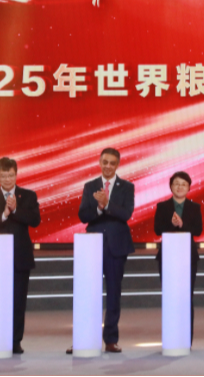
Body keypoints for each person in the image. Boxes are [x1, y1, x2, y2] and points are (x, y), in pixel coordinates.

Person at [68, 148, 135, 354]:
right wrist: (98, 208)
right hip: (92, 247)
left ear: (118, 165)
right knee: (88, 294)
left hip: (116, 247)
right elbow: (83, 215)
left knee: (114, 293)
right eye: (105, 162)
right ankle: (84, 338)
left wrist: (107, 205)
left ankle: (111, 340)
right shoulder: (90, 186)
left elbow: (126, 214)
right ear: (99, 162)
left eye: (112, 163)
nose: (108, 166)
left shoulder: (127, 187)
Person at [0, 157, 42, 355]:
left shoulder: (28, 195)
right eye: (4, 175)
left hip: (20, 256)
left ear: (16, 174)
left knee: (18, 302)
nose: (7, 179)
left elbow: (35, 220)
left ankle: (15, 341)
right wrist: (4, 214)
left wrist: (15, 211)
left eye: (11, 175)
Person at [154, 171, 203, 344]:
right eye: (176, 184)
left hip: (188, 257)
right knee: (170, 297)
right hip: (167, 256)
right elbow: (157, 229)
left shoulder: (195, 207)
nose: (180, 187)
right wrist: (171, 224)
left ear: (189, 187)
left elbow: (198, 230)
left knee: (186, 297)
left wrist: (182, 224)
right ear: (171, 186)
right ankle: (171, 337)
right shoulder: (162, 206)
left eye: (183, 184)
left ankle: (186, 339)